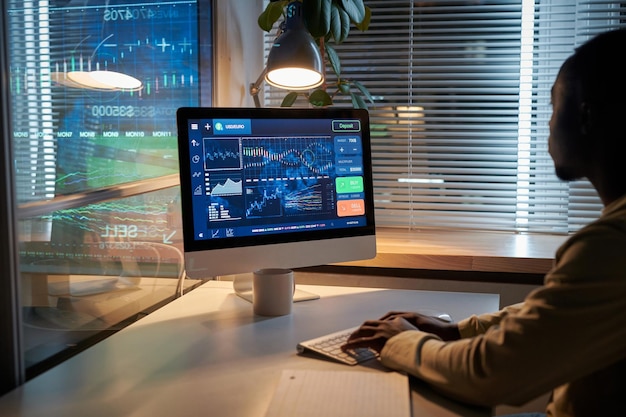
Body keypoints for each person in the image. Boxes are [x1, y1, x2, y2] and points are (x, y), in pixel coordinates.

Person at [342, 28, 626, 417]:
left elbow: (490, 375)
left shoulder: (611, 244)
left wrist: (401, 342)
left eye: (553, 107)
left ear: (585, 116)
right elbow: (558, 317)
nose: (546, 124)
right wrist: (457, 330)